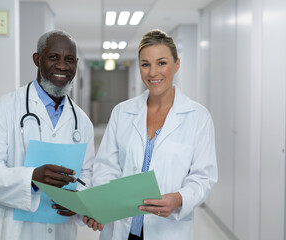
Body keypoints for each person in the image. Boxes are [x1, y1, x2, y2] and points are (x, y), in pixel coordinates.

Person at [83, 29, 218, 239]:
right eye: (145, 64)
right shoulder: (122, 112)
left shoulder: (198, 117)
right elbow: (106, 168)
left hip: (167, 228)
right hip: (121, 227)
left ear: (177, 65)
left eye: (161, 63)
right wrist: (102, 206)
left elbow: (203, 177)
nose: (153, 72)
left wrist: (179, 198)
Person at [0, 30, 94, 240]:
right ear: (37, 59)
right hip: (12, 231)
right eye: (53, 57)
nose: (62, 66)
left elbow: (87, 173)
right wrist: (31, 178)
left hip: (60, 230)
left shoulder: (82, 122)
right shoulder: (2, 110)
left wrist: (79, 201)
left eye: (69, 60)